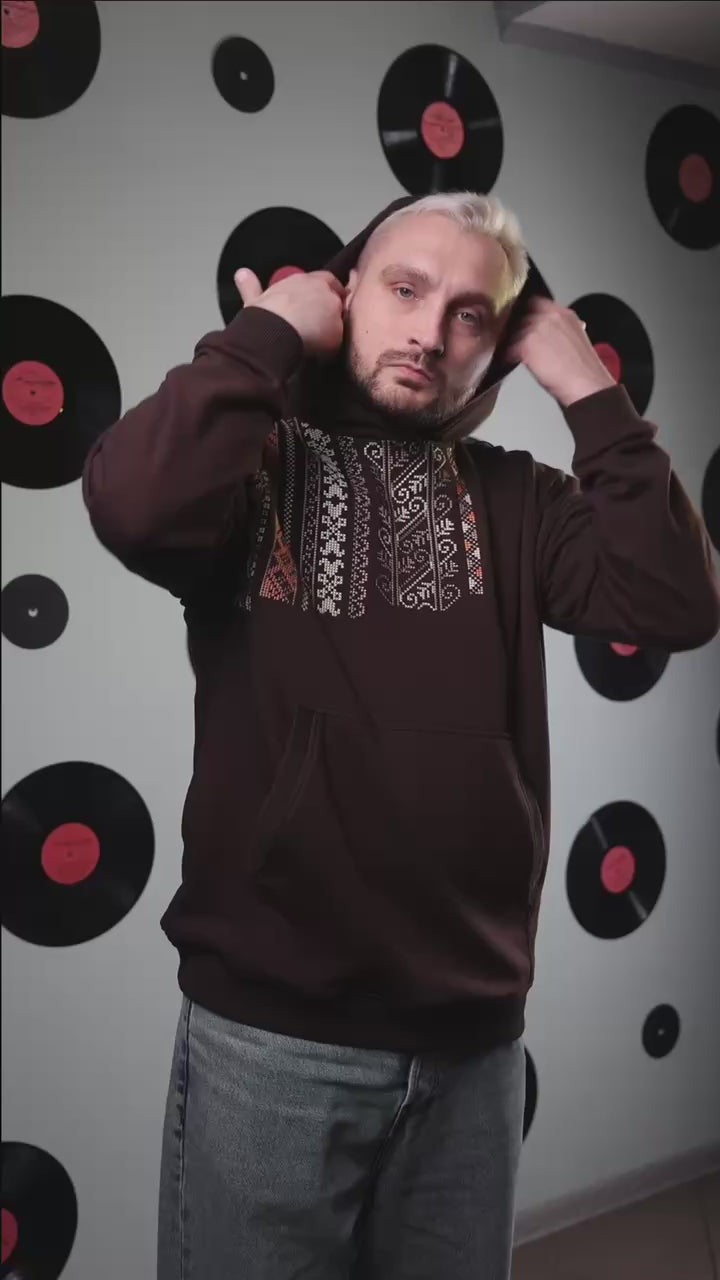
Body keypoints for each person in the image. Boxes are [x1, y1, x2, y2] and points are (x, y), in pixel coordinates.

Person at [82, 191, 720, 1279]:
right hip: (274, 1045)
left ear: (501, 349)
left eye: (473, 314)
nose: (430, 332)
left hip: (472, 1048)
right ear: (345, 293)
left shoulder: (521, 501)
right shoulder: (255, 469)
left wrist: (590, 388)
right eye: (406, 287)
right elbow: (133, 501)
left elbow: (676, 600)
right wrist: (266, 336)